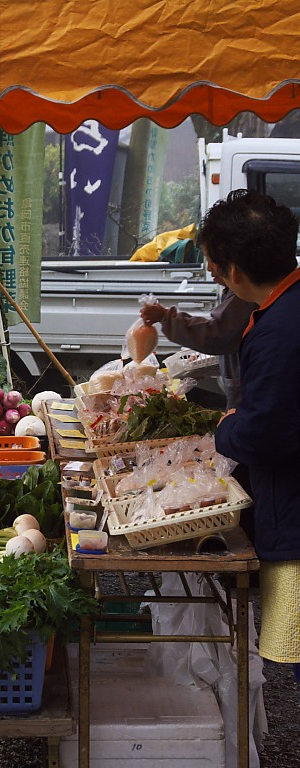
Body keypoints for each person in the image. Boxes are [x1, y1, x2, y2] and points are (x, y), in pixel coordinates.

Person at [197, 189, 300, 676]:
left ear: (233, 270)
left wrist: (228, 427)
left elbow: (263, 432)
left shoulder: (281, 328)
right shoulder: (285, 309)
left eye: (215, 267)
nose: (217, 276)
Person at [140, 256, 256, 410]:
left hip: (250, 398)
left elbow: (219, 335)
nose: (208, 268)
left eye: (212, 259)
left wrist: (165, 317)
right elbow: (232, 337)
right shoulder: (235, 291)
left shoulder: (245, 296)